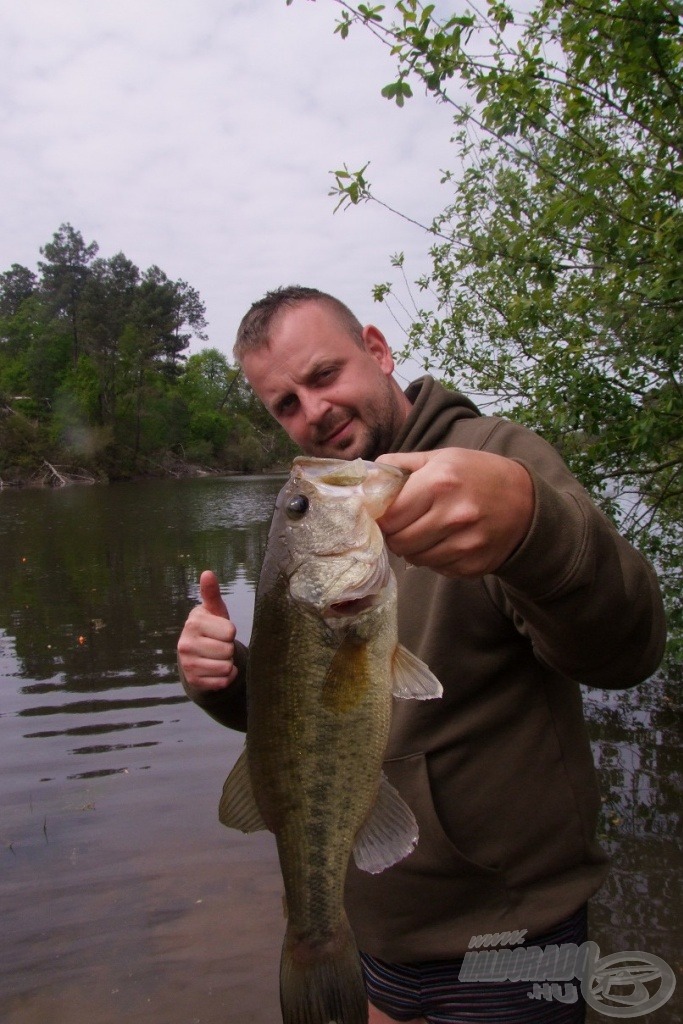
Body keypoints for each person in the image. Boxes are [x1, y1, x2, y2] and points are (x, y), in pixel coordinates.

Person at [177, 286, 666, 1024]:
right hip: (368, 929)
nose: (312, 412)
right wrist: (227, 681)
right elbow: (318, 721)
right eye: (285, 404)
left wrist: (530, 526)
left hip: (507, 934)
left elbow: (626, 650)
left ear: (376, 350)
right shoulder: (327, 533)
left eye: (323, 375)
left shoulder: (498, 457)